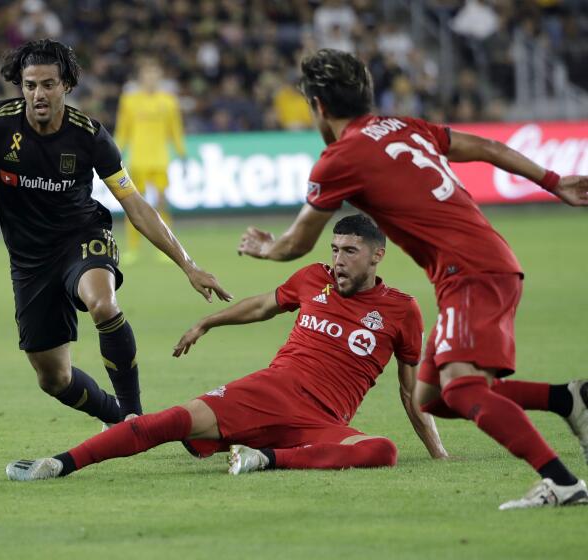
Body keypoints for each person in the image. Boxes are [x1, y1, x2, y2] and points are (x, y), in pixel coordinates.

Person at [236, 48, 588, 510]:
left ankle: (561, 482)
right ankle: (568, 399)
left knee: (463, 388)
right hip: (479, 264)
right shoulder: (404, 127)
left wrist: (266, 248)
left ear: (319, 106)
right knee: (433, 396)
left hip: (471, 272)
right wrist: (552, 179)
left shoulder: (340, 159)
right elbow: (486, 146)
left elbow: (298, 243)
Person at [0, 39, 231, 428]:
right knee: (53, 378)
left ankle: (136, 417)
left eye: (48, 84)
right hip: (29, 261)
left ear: (66, 85)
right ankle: (117, 419)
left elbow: (134, 203)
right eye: (30, 84)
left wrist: (188, 265)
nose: (38, 94)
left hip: (81, 238)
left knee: (103, 304)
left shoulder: (89, 135)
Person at [4, 215, 447, 482]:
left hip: (323, 421)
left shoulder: (401, 311)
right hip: (270, 391)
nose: (338, 260)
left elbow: (411, 392)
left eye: (350, 251)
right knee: (169, 421)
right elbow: (262, 306)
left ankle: (265, 458)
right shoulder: (314, 279)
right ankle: (57, 464)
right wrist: (206, 322)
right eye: (334, 250)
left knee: (382, 451)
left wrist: (438, 453)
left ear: (377, 256)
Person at [114, 57, 186, 262]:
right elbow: (123, 130)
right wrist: (115, 152)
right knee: (134, 206)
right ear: (140, 78)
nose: (151, 78)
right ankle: (133, 249)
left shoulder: (169, 101)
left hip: (160, 160)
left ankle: (167, 248)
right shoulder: (129, 101)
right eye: (147, 74)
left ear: (160, 77)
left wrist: (182, 153)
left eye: (155, 74)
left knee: (162, 204)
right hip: (137, 160)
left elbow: (176, 131)